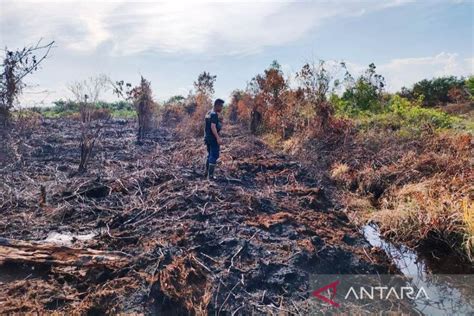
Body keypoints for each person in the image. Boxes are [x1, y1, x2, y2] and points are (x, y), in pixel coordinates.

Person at [204, 98, 224, 179]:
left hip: (207, 138)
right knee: (214, 155)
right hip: (213, 138)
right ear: (217, 105)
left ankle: (206, 173)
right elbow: (213, 126)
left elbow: (208, 125)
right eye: (221, 106)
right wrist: (218, 138)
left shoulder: (208, 113)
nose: (222, 108)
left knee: (209, 155)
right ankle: (210, 176)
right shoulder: (214, 114)